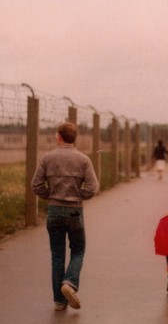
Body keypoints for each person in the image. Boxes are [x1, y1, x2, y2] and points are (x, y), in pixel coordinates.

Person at [32, 122, 100, 311]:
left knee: (57, 254)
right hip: (74, 210)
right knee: (78, 250)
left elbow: (36, 185)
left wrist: (50, 196)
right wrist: (79, 196)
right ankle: (69, 283)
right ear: (74, 138)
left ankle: (59, 302)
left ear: (59, 137)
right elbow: (93, 187)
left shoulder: (47, 158)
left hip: (54, 210)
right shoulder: (83, 160)